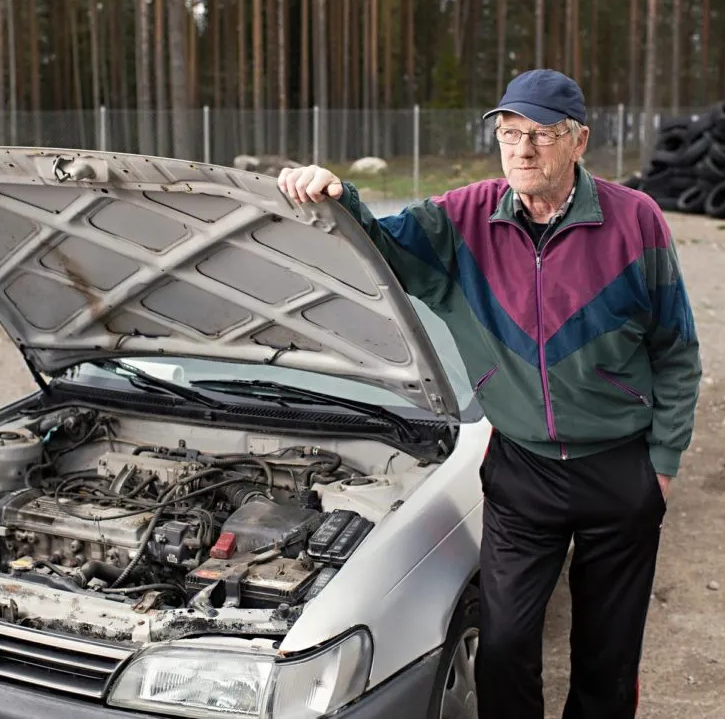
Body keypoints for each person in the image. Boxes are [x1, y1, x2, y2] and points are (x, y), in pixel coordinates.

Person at [277, 68, 702, 719]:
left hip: (619, 465)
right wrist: (335, 196)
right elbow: (379, 251)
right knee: (503, 648)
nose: (522, 150)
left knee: (607, 657)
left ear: (579, 140)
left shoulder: (635, 222)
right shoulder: (464, 217)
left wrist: (663, 464)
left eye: (540, 134)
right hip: (523, 469)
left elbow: (677, 350)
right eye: (509, 133)